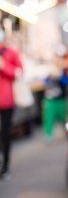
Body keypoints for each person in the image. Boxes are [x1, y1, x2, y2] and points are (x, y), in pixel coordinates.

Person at [0, 26, 23, 180]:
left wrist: (4, 67)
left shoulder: (10, 52)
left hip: (6, 100)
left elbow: (20, 72)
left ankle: (5, 165)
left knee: (5, 133)